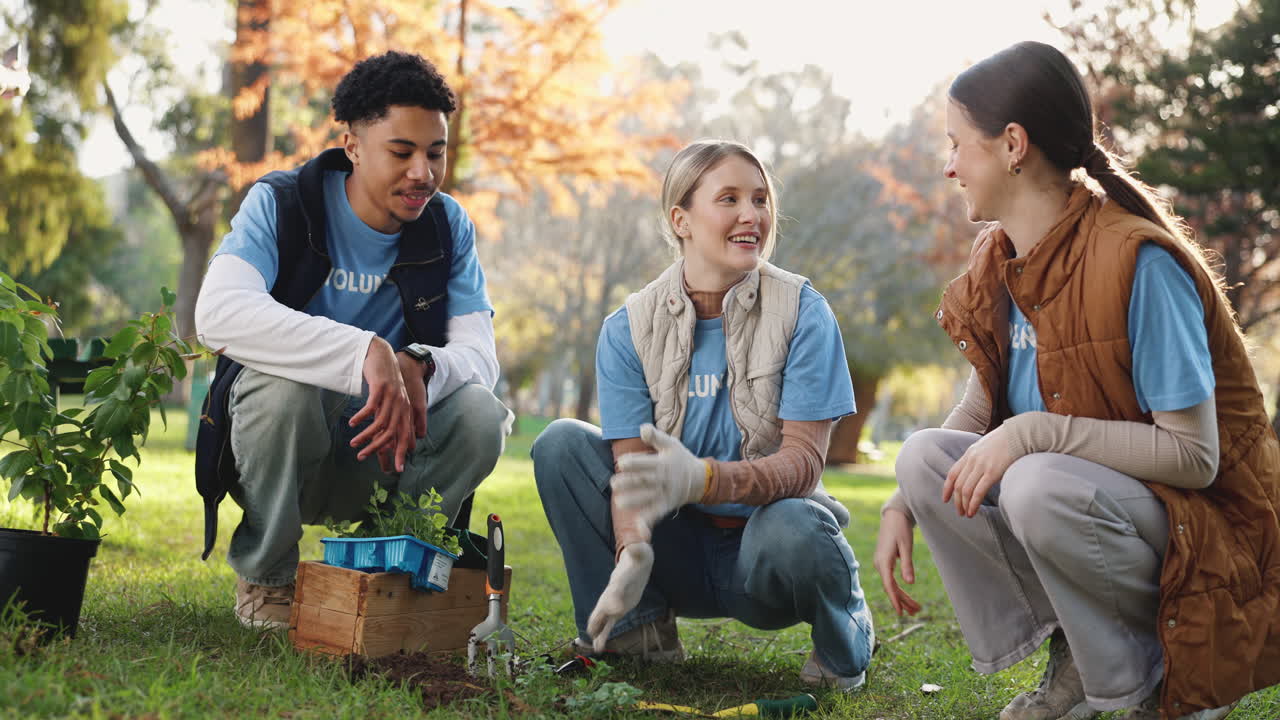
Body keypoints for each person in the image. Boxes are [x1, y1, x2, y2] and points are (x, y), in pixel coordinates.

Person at [873, 41, 1279, 720]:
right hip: (1108, 511)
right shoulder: (1000, 258)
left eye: (956, 145)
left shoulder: (1138, 263)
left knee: (1035, 478)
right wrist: (899, 505)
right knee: (921, 458)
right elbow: (978, 412)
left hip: (1207, 536)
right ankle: (1078, 663)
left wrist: (1033, 433)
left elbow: (1196, 456)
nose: (948, 167)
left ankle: (1156, 682)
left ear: (1012, 145)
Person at [532, 140, 875, 690]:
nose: (751, 215)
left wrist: (705, 479)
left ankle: (844, 645)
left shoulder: (803, 312)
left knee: (798, 522)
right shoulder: (627, 328)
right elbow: (632, 471)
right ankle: (636, 631)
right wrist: (633, 546)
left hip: (763, 559)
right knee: (560, 443)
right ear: (681, 219)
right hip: (677, 551)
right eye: (730, 199)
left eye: (761, 200)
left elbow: (802, 466)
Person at [194, 51, 511, 629]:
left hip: (383, 454)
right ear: (353, 145)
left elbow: (480, 357)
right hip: (280, 450)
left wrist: (419, 363)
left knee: (481, 414)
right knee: (282, 389)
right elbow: (218, 313)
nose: (423, 172)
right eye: (402, 152)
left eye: (435, 153)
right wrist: (366, 351)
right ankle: (268, 580)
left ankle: (383, 571)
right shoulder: (282, 203)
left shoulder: (448, 225)